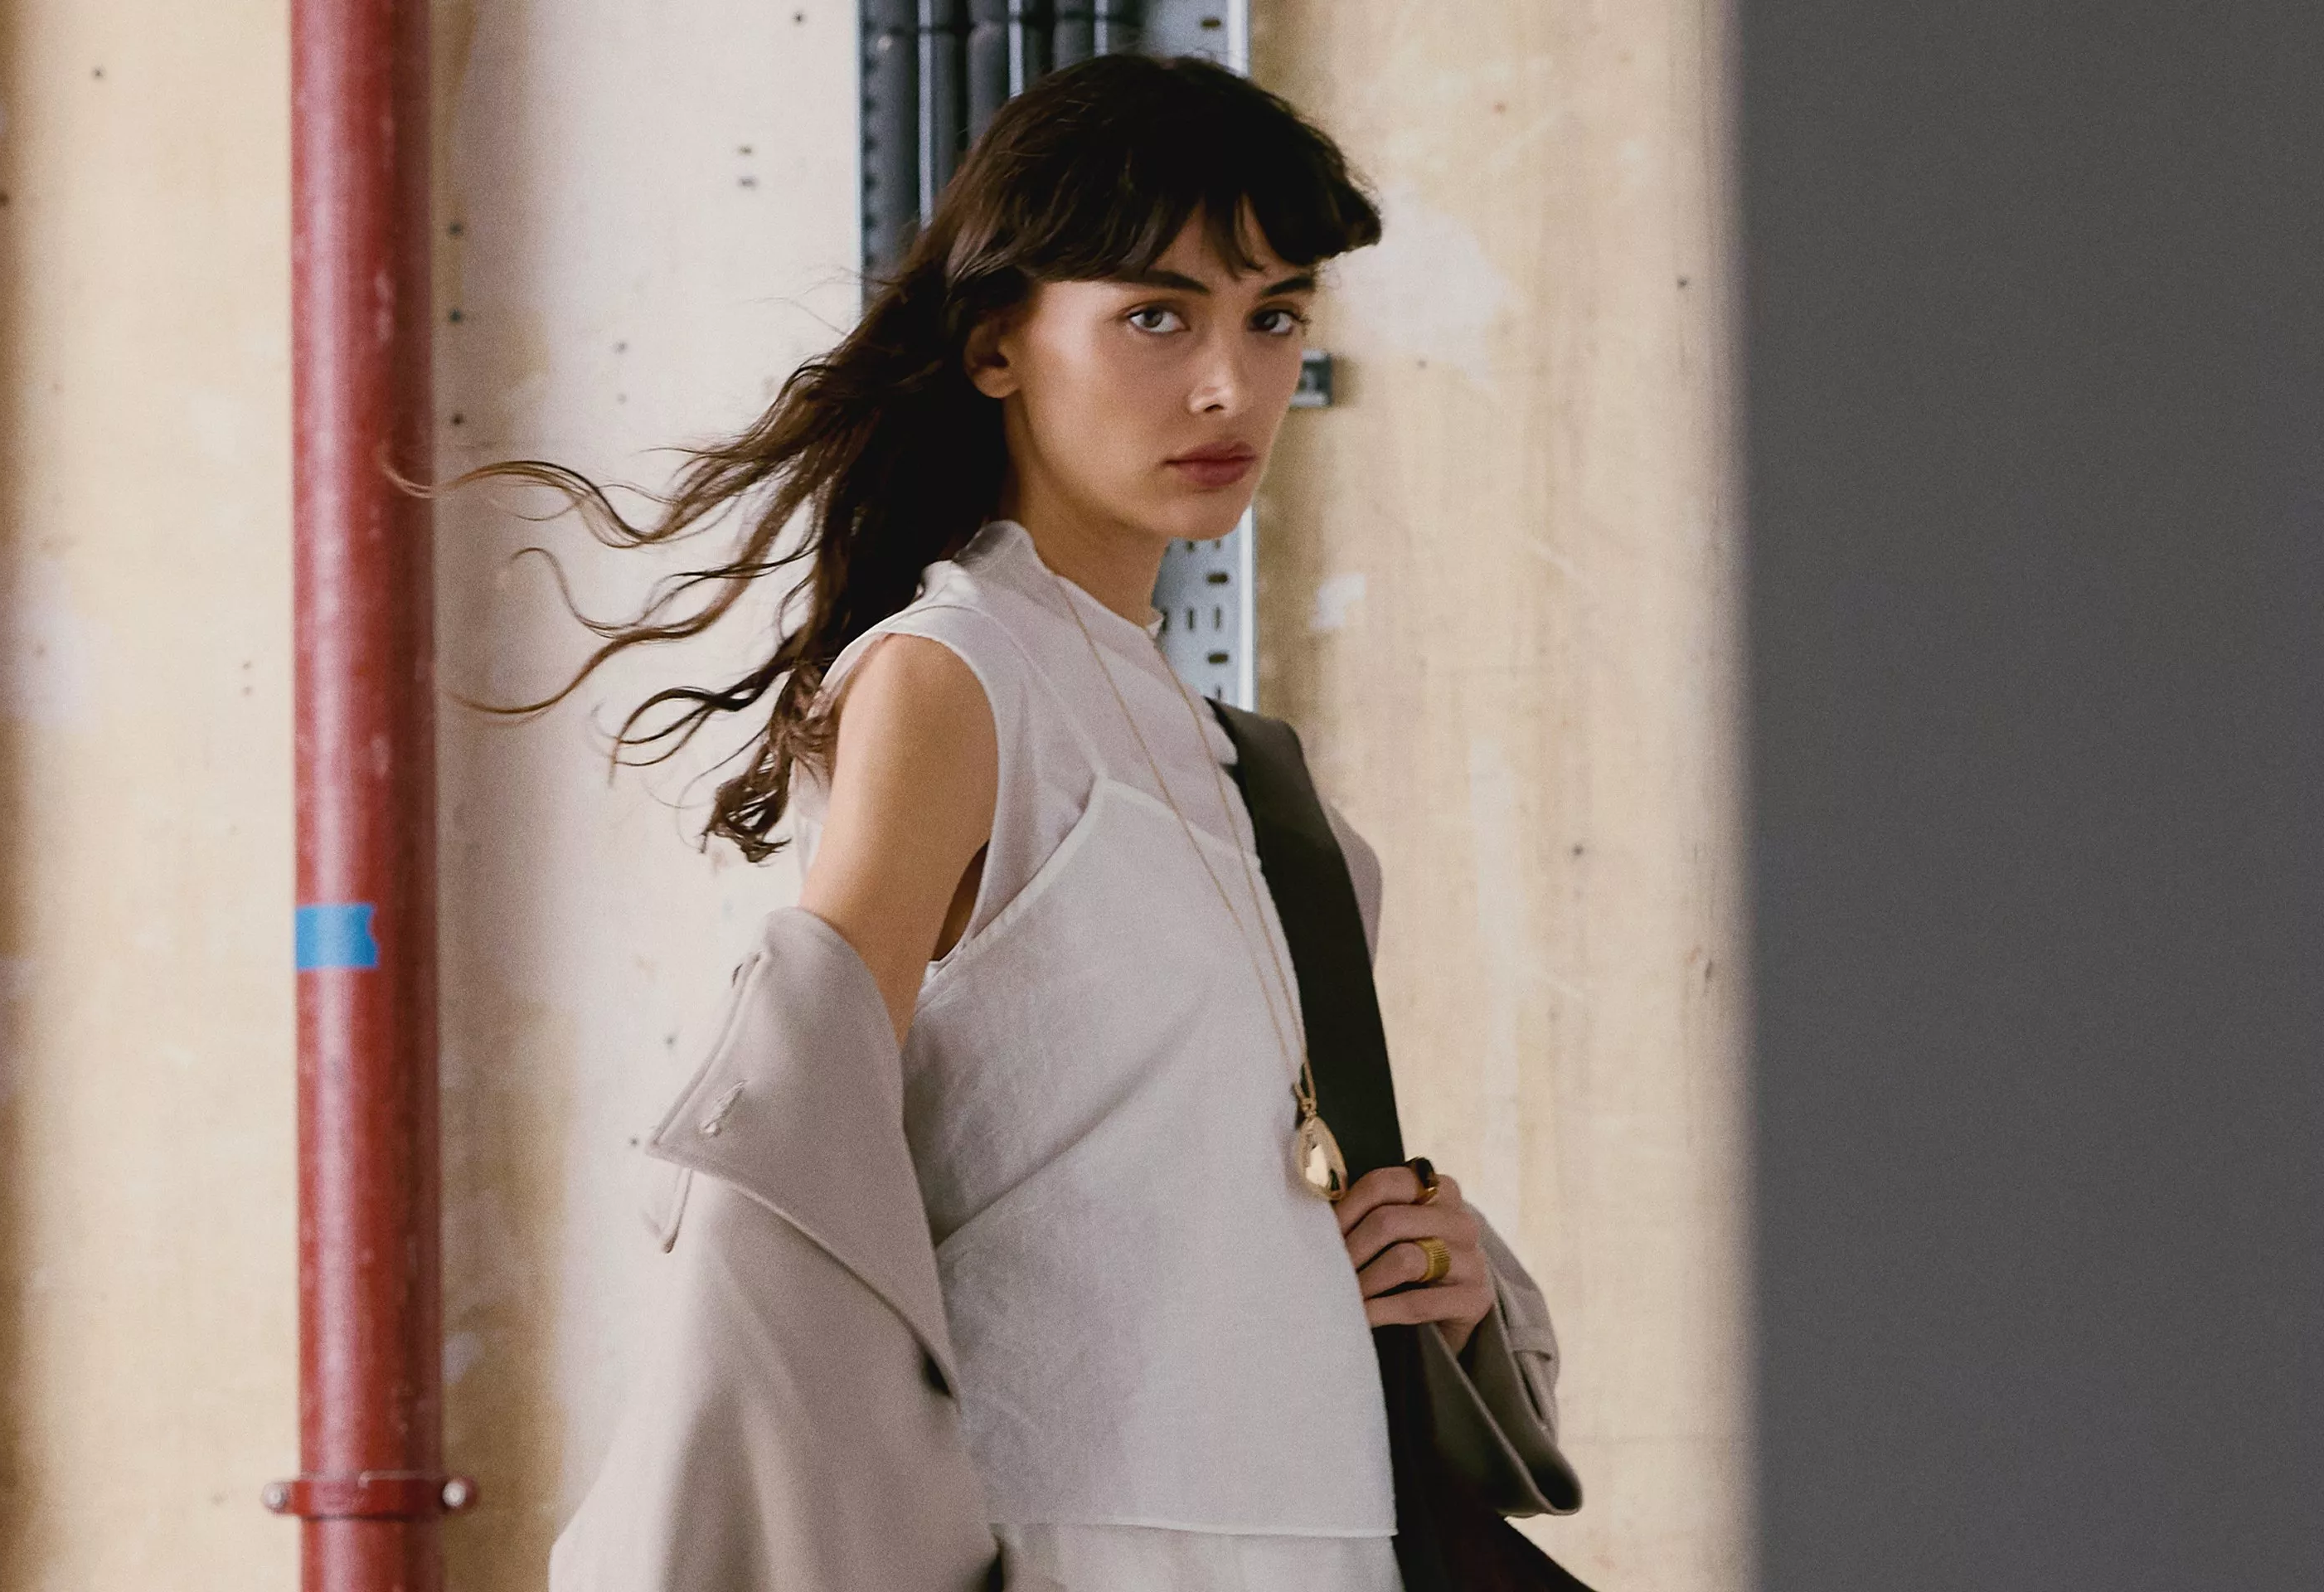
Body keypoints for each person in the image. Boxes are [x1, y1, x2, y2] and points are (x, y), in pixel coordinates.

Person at [484, 55, 1577, 1592]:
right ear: (999, 343)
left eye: (1272, 318)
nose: (1228, 384)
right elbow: (797, 1155)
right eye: (1156, 316)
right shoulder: (952, 676)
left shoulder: (1245, 762)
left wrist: (1439, 1272)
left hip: (1326, 1521)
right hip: (1076, 1529)